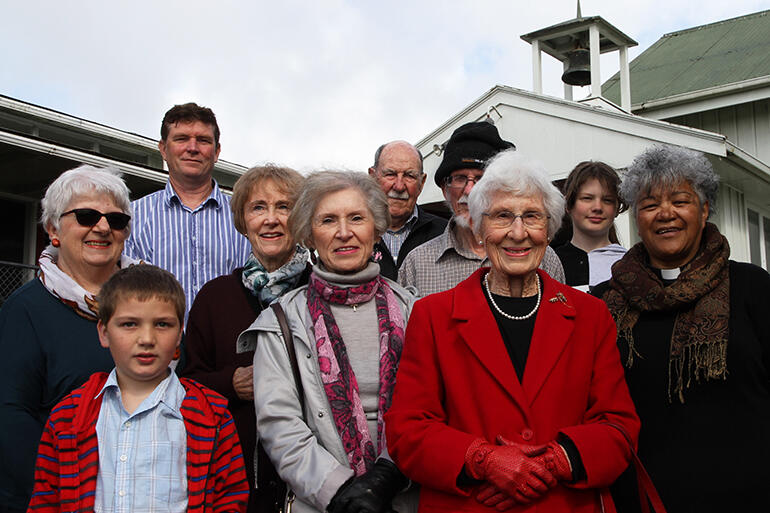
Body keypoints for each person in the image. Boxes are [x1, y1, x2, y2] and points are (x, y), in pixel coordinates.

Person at [386, 149, 639, 513]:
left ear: (549, 229)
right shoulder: (433, 316)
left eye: (532, 217)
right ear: (477, 226)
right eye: (502, 216)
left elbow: (619, 427)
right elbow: (407, 430)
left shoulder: (591, 315)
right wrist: (484, 461)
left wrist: (550, 464)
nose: (518, 233)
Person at [593, 145, 770, 512]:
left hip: (747, 497)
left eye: (680, 200)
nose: (666, 214)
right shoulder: (603, 302)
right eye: (649, 204)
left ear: (704, 210)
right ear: (636, 218)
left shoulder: (753, 287)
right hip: (641, 499)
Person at [237, 171, 417, 513]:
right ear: (308, 234)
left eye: (357, 218)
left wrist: (384, 480)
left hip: (405, 495)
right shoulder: (281, 321)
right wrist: (344, 494)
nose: (344, 232)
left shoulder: (414, 310)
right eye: (328, 220)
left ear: (376, 229)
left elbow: (430, 409)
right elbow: (280, 426)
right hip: (323, 504)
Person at [26, 265, 249, 513]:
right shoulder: (68, 416)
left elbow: (231, 499)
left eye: (162, 324)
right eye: (130, 324)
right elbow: (45, 501)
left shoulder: (212, 416)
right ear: (104, 332)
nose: (146, 338)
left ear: (179, 336)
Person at [0, 165, 137, 513]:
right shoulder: (25, 310)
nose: (103, 227)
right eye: (87, 215)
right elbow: (12, 418)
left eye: (116, 220)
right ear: (53, 229)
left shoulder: (152, 300)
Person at [183, 164, 310, 513]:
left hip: (310, 481)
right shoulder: (215, 296)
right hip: (233, 482)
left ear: (300, 218)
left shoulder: (321, 291)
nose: (271, 219)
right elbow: (184, 383)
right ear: (242, 221)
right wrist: (229, 382)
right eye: (259, 207)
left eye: (283, 207)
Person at [399, 121, 564, 296]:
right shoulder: (416, 263)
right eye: (460, 179)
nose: (470, 191)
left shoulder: (543, 258)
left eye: (481, 178)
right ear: (444, 189)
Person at [124, 102, 251, 318]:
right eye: (181, 139)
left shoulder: (246, 217)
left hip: (229, 347)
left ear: (217, 151)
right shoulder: (131, 218)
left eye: (203, 140)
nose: (192, 148)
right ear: (163, 149)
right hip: (157, 347)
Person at [368, 140, 447, 280]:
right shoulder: (353, 233)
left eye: (409, 176)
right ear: (372, 177)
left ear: (421, 183)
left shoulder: (445, 234)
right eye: (390, 174)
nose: (399, 186)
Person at [554, 161, 627, 292]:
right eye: (587, 198)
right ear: (568, 205)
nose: (597, 207)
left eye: (607, 200)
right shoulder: (551, 263)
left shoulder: (630, 264)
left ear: (616, 209)